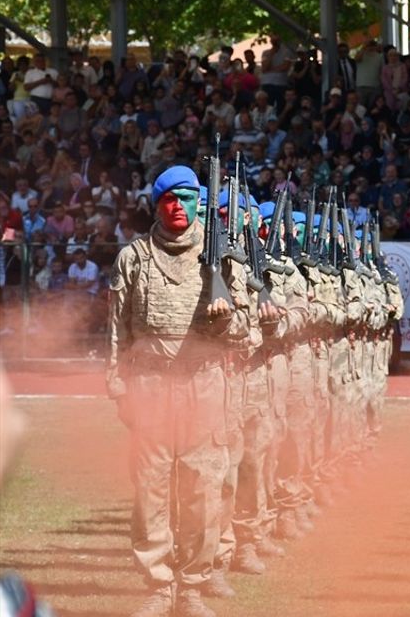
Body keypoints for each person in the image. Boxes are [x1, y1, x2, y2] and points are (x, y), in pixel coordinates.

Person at [108, 166, 251, 617]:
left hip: (203, 384)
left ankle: (191, 587)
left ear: (199, 205)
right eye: (169, 199)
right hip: (149, 385)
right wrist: (118, 382)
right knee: (150, 489)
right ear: (156, 205)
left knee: (202, 490)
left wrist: (226, 320)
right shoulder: (134, 257)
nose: (177, 206)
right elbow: (117, 329)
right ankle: (157, 586)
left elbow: (248, 330)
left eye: (186, 198)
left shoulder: (223, 259)